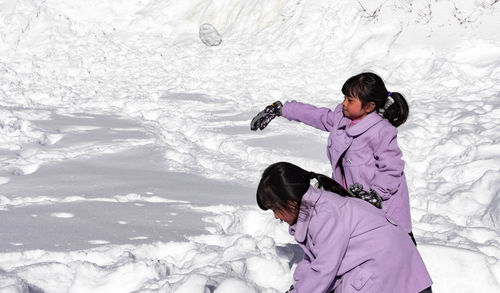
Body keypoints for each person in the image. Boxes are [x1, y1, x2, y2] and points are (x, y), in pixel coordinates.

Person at [251, 72, 416, 243]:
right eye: (344, 97)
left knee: (394, 246)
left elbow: (392, 167)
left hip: (384, 204)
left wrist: (377, 194)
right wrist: (282, 109)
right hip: (356, 200)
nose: (344, 103)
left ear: (369, 106)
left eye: (350, 100)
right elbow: (317, 115)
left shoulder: (381, 131)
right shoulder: (341, 119)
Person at [257, 162, 433, 293]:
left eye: (275, 209)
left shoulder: (325, 215)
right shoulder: (315, 208)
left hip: (388, 271)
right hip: (390, 266)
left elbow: (324, 270)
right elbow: (314, 260)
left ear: (292, 202)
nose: (276, 216)